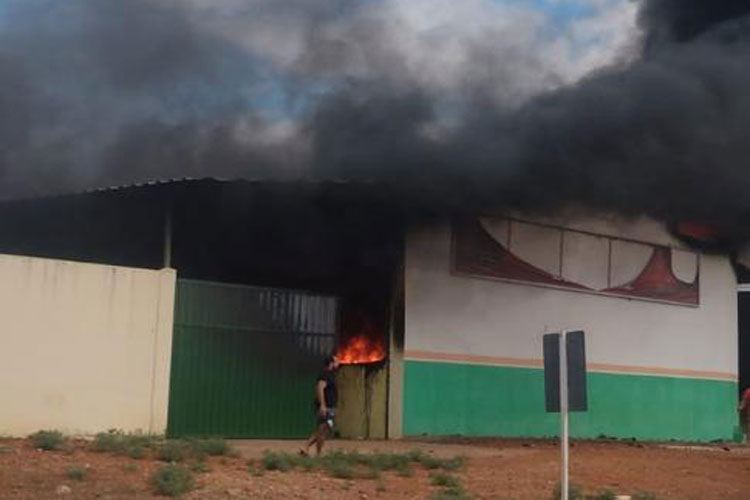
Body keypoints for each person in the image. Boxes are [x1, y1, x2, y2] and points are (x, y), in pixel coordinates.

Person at [301, 355, 340, 456]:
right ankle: (307, 447)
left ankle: (316, 452)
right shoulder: (325, 375)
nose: (338, 363)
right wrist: (323, 405)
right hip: (326, 408)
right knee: (323, 428)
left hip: (331, 407)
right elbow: (320, 388)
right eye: (336, 361)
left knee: (324, 429)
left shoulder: (331, 375)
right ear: (331, 363)